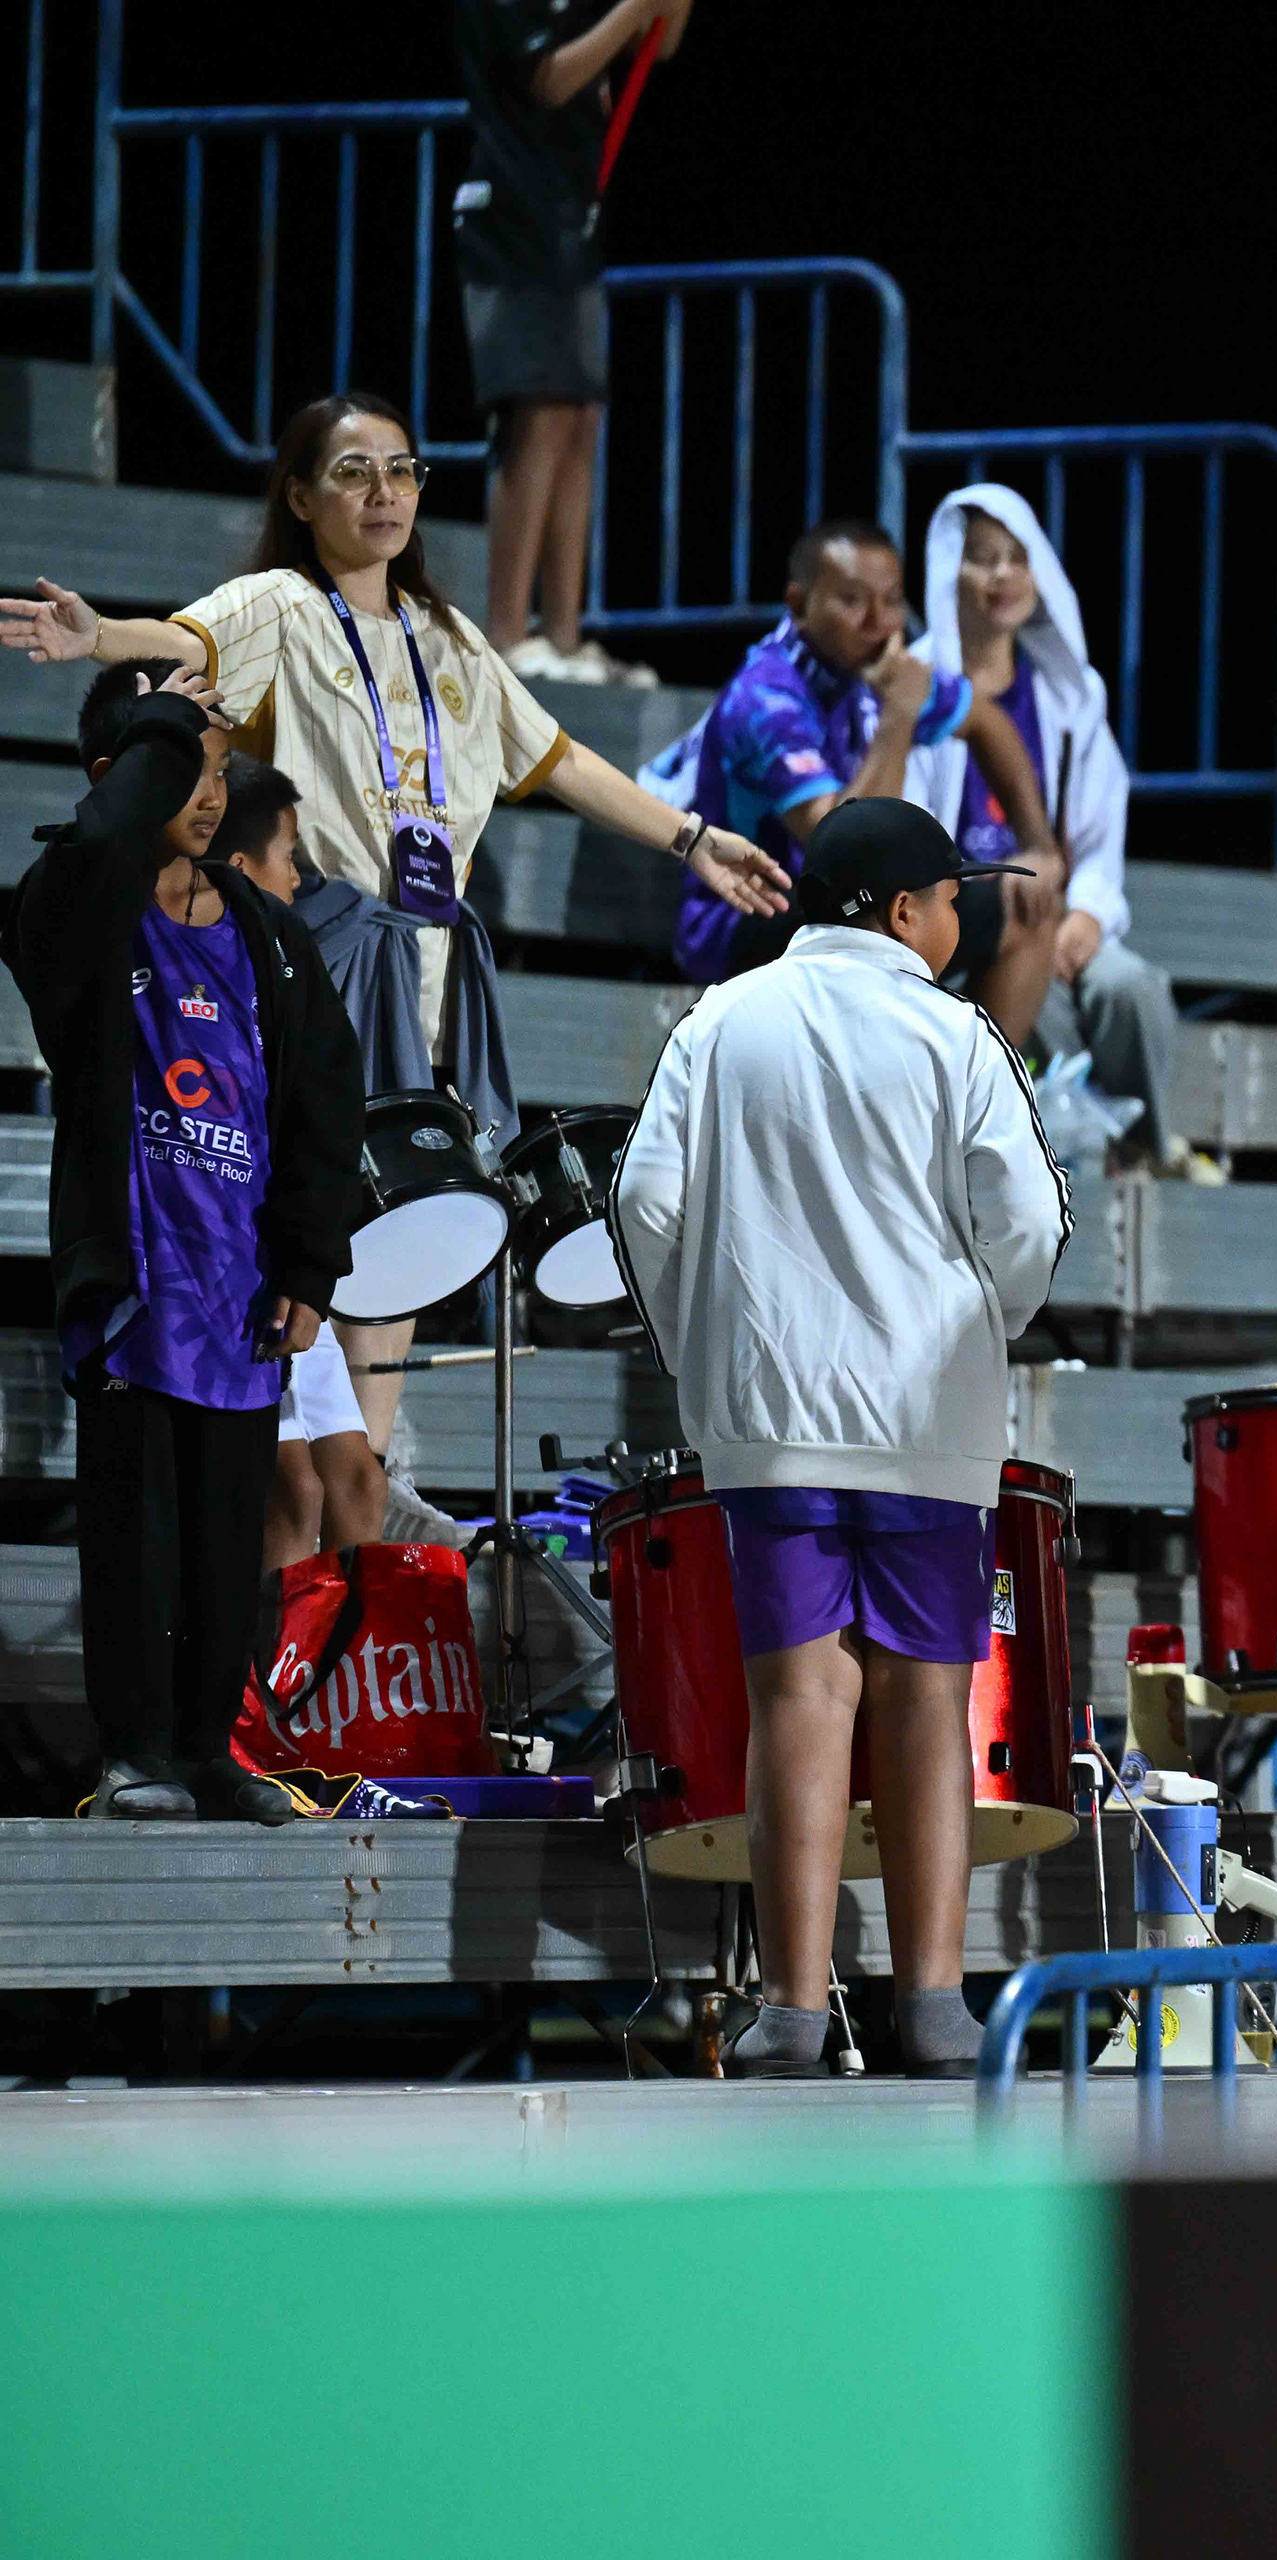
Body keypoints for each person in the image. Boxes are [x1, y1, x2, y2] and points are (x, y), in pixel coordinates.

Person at [0, 387, 790, 1463]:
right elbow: (181, 638)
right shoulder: (283, 605)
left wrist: (692, 839)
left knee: (407, 1210)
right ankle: (285, 1454)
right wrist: (100, 637)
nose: (384, 492)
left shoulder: (453, 640)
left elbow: (561, 761)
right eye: (353, 472)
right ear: (300, 496)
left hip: (428, 969)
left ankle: (362, 1473)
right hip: (323, 957)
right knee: (309, 1200)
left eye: (402, 470)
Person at [612, 800, 1068, 2077]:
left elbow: (642, 1201)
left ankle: (793, 2011)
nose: (965, 919)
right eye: (954, 898)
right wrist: (979, 1325)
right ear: (904, 911)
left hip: (769, 1422)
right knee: (927, 1694)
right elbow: (1030, 1224)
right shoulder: (958, 1033)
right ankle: (934, 2004)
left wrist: (701, 1346)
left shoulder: (719, 1020)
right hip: (929, 1423)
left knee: (799, 1702)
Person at [9, 668, 366, 1820]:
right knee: (135, 1543)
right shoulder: (72, 912)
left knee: (226, 1549)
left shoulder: (270, 937)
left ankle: (209, 1747)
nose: (210, 796)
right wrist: (157, 725)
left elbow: (325, 1107)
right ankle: (135, 1752)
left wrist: (306, 1265)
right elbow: (97, 845)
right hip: (134, 1296)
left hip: (240, 1298)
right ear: (118, 777)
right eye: (181, 771)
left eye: (217, 770)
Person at [658, 519, 1070, 1052]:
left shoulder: (872, 668)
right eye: (852, 601)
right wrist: (899, 716)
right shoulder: (766, 698)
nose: (878, 621)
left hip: (836, 909)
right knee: (894, 909)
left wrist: (1037, 845)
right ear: (800, 604)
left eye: (892, 600)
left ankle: (975, 1094)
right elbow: (849, 852)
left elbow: (989, 723)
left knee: (1025, 902)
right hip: (742, 921)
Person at [901, 486, 1209, 1179]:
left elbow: (1100, 826)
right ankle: (1064, 1158)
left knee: (1131, 989)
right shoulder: (920, 686)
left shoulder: (1068, 695)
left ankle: (1144, 1153)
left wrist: (1089, 915)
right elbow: (908, 824)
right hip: (969, 924)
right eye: (983, 559)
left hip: (1059, 912)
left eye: (1018, 558)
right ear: (949, 570)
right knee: (1034, 994)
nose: (1002, 575)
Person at [451, 0, 689, 684]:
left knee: (581, 419)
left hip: (571, 221)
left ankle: (564, 635)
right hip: (510, 220)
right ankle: (508, 633)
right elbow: (551, 79)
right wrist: (634, 6)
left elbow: (659, 40)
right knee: (539, 413)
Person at [206, 757, 388, 1564]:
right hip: (231, 1270)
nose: (299, 878)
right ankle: (266, 1655)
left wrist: (308, 1263)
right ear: (241, 867)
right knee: (296, 1492)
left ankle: (349, 1653)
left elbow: (325, 1116)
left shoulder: (291, 962)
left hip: (287, 1265)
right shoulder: (194, 963)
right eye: (289, 857)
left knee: (359, 1484)